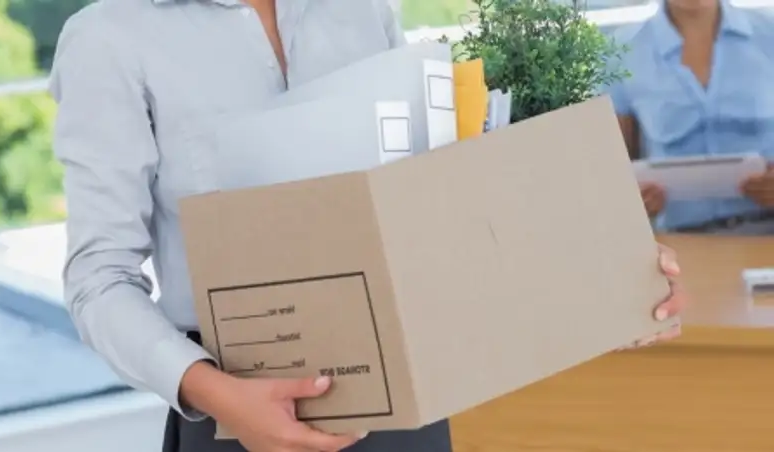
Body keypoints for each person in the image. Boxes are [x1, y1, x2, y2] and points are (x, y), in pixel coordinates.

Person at [49, 0, 688, 450]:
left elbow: (431, 209)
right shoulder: (110, 37)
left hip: (401, 410)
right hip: (238, 417)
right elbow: (98, 281)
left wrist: (594, 273)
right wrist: (215, 394)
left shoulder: (361, 9)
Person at [608, 0, 774, 233]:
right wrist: (634, 200)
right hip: (681, 238)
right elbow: (611, 171)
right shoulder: (621, 50)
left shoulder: (768, 31)